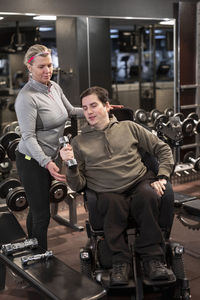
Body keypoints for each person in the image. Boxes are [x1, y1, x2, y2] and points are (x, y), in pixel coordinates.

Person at [60, 86, 175, 286]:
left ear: (107, 106)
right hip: (106, 190)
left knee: (148, 197)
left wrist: (163, 176)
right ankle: (120, 263)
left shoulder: (129, 127)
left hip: (139, 181)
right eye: (85, 108)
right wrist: (69, 166)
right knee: (112, 205)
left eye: (94, 105)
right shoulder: (78, 142)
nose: (89, 112)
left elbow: (162, 149)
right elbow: (78, 185)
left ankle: (153, 260)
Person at [15, 44, 83, 250]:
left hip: (49, 159)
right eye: (41, 67)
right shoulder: (26, 98)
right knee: (42, 215)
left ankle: (32, 248)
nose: (47, 70)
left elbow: (70, 110)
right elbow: (27, 137)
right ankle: (41, 263)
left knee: (37, 211)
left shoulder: (54, 87)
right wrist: (46, 162)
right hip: (32, 161)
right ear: (30, 68)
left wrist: (96, 109)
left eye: (50, 65)